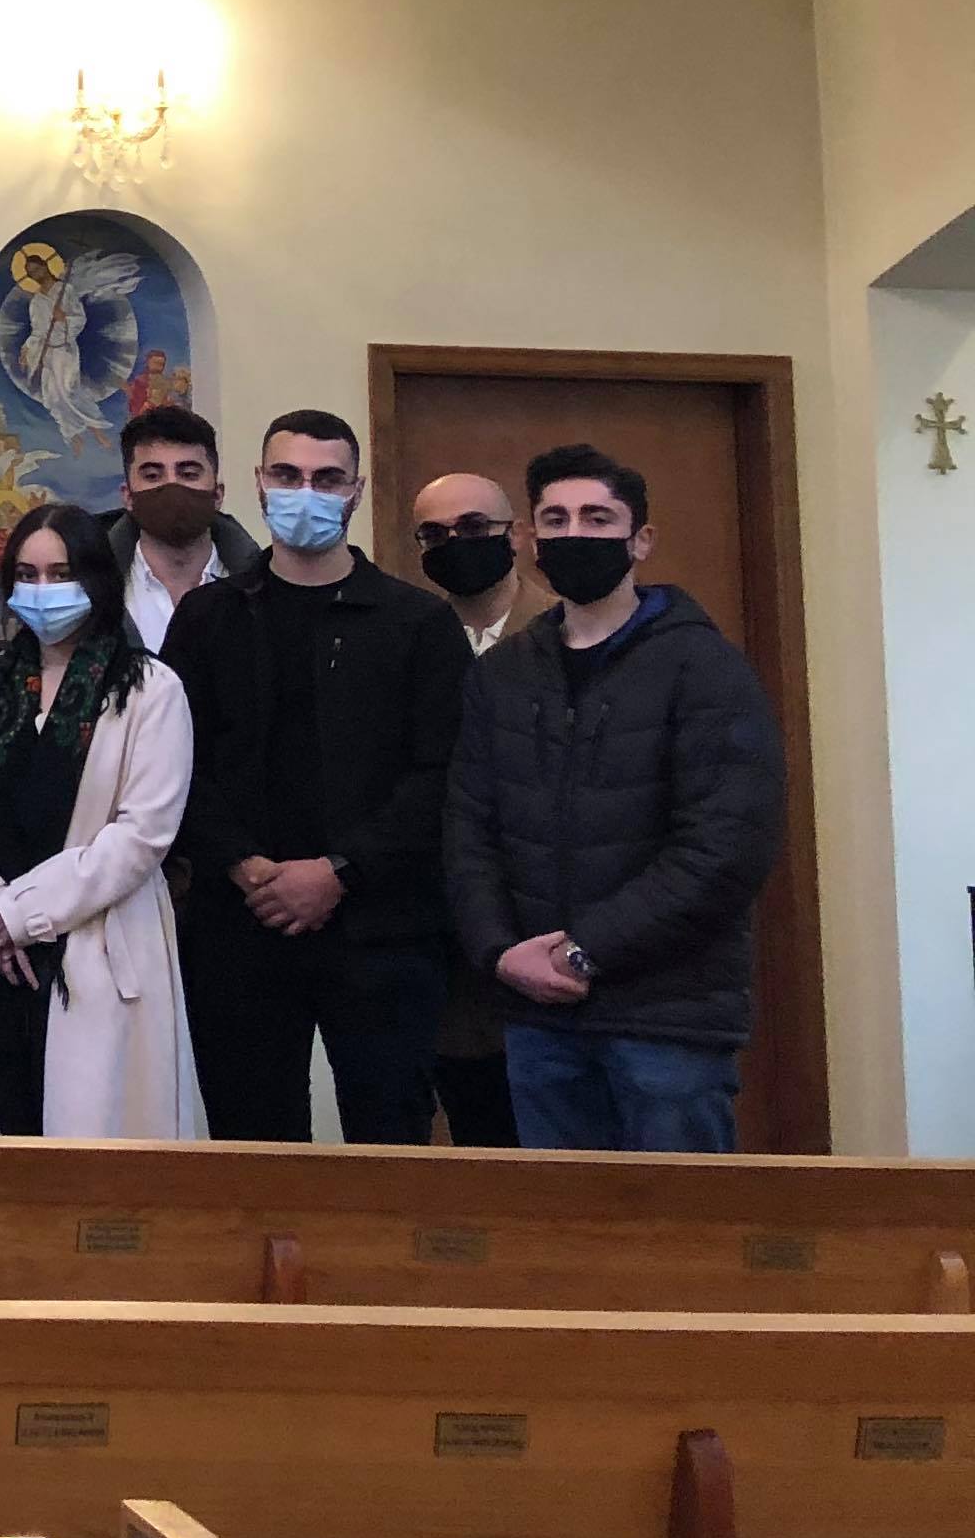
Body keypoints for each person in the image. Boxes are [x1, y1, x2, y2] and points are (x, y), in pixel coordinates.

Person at [449, 444, 787, 1154]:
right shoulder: (503, 675)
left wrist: (584, 952)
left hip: (667, 1017)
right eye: (556, 519)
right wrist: (500, 952)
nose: (575, 533)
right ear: (530, 539)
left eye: (597, 518)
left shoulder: (705, 668)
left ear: (641, 539)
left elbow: (726, 846)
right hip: (536, 1016)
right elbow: (469, 828)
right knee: (563, 1219)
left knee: (678, 1216)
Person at [161, 409, 469, 1146]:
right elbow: (172, 764)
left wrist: (339, 870)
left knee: (390, 1144)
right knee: (253, 1144)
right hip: (240, 923)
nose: (306, 492)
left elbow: (443, 773)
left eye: (327, 479)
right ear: (259, 485)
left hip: (383, 930)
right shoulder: (207, 617)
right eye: (288, 475)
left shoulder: (418, 623)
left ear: (356, 491)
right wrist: (244, 865)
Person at [0, 502, 200, 1141]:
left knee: (96, 1140)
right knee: (3, 1132)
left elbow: (142, 834)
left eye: (61, 574)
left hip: (99, 939)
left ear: (95, 579)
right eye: (27, 575)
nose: (43, 591)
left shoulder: (148, 687)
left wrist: (23, 912)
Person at [409, 468, 549, 1145]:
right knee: (479, 1132)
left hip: (550, 919)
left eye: (473, 527)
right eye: (434, 534)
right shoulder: (410, 633)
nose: (455, 544)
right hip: (448, 933)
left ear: (515, 535)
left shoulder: (562, 627)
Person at [111, 405, 254, 653]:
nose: (172, 486)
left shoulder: (260, 588)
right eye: (152, 476)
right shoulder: (91, 591)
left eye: (188, 474)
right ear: (128, 497)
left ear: (218, 494)